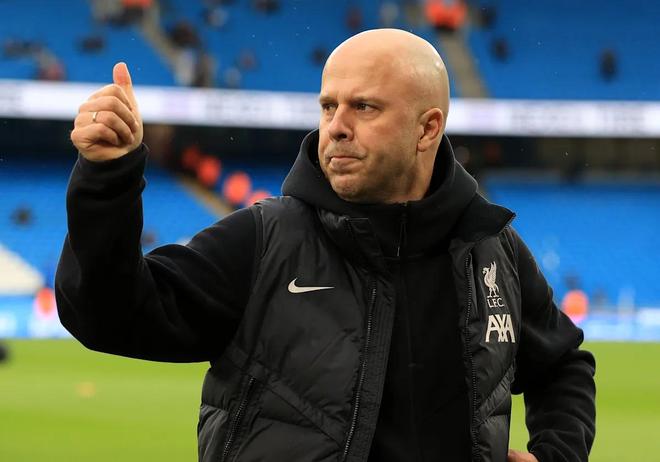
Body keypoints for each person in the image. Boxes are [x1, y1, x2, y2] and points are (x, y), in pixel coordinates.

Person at [57, 29, 595, 462]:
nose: (335, 127)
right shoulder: (263, 240)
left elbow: (563, 365)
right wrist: (106, 179)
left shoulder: (492, 250)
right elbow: (109, 316)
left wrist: (556, 454)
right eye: (328, 106)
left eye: (364, 107)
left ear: (428, 128)